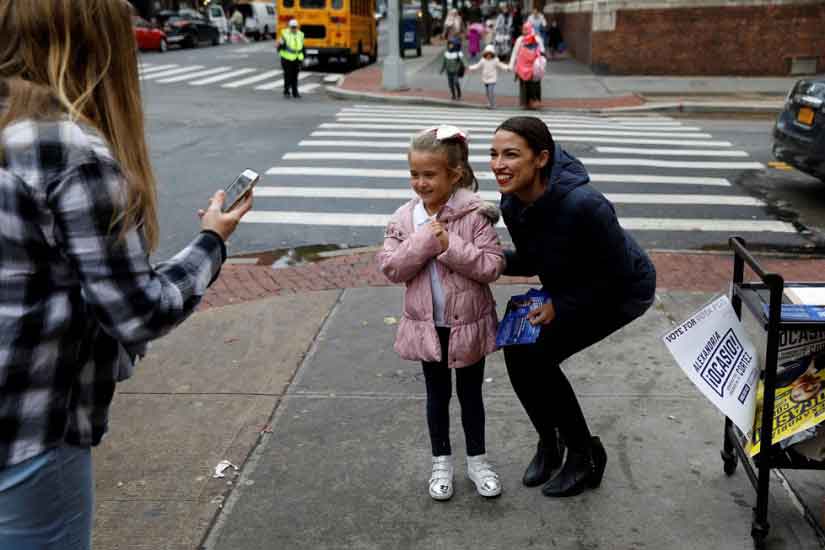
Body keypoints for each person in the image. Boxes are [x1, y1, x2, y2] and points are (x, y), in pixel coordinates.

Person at [0, 0, 253, 547]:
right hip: (31, 430)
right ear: (98, 45)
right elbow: (137, 311)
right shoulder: (68, 152)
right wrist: (212, 241)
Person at [489, 117, 656, 498]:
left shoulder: (586, 205)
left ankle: (584, 454)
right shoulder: (513, 201)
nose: (499, 164)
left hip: (624, 290)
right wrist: (486, 260)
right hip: (573, 284)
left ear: (541, 158)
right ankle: (550, 444)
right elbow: (533, 259)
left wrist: (561, 306)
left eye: (511, 154)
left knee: (540, 355)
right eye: (494, 154)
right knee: (516, 348)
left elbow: (618, 274)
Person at [377, 125, 505, 501]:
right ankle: (441, 462)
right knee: (436, 397)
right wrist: (423, 241)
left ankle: (478, 461)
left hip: (468, 324)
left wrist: (451, 245)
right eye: (414, 174)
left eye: (429, 174)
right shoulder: (404, 219)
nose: (420, 182)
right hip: (428, 327)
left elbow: (491, 267)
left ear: (455, 175)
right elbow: (391, 268)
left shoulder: (473, 215)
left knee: (470, 396)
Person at [509, 22, 544, 109]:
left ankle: (535, 101)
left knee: (534, 84)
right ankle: (526, 103)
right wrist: (511, 65)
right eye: (524, 29)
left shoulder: (537, 38)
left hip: (533, 67)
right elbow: (515, 52)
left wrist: (540, 63)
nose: (525, 31)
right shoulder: (520, 39)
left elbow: (542, 51)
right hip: (521, 67)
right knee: (524, 85)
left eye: (526, 29)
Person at [468, 44, 510, 108]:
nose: (488, 55)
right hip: (485, 79)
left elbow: (501, 65)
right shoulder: (483, 60)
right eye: (487, 54)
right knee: (487, 92)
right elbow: (477, 66)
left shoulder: (495, 60)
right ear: (485, 54)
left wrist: (507, 68)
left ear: (492, 54)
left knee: (491, 91)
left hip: (492, 79)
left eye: (490, 54)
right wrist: (471, 67)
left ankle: (492, 104)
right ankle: (489, 102)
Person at [277, 19, 305, 98]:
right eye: (292, 27)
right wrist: (281, 50)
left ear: (297, 27)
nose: (294, 29)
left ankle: (295, 92)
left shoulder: (300, 35)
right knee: (287, 76)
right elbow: (279, 47)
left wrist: (303, 57)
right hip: (286, 59)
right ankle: (286, 91)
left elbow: (302, 47)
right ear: (289, 27)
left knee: (295, 76)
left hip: (297, 58)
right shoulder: (285, 34)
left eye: (295, 27)